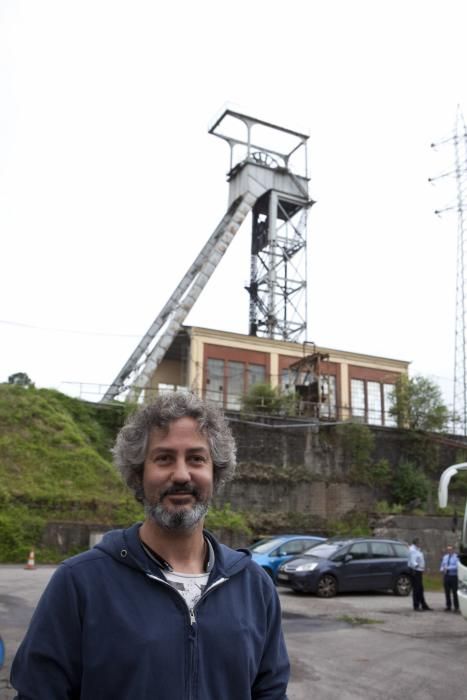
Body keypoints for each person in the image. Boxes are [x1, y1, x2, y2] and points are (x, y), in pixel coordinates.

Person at [11, 391, 290, 699]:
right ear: (139, 473)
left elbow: (271, 693)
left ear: (215, 472)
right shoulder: (80, 584)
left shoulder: (254, 586)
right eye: (164, 458)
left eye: (196, 458)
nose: (182, 474)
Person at [408, 537, 432, 611]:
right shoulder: (412, 550)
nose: (421, 544)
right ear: (417, 543)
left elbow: (420, 559)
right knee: (417, 589)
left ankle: (423, 604)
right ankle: (416, 605)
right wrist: (419, 567)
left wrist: (422, 568)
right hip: (415, 571)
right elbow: (413, 561)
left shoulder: (417, 549)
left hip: (419, 570)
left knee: (420, 589)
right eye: (420, 542)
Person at [440, 544, 460, 612]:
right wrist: (442, 569)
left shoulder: (456, 557)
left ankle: (456, 607)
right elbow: (442, 565)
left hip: (453, 576)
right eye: (448, 550)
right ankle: (448, 606)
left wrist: (448, 568)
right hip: (446, 576)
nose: (449, 551)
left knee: (454, 592)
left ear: (453, 550)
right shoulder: (445, 557)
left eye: (450, 549)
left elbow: (457, 567)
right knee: (447, 592)